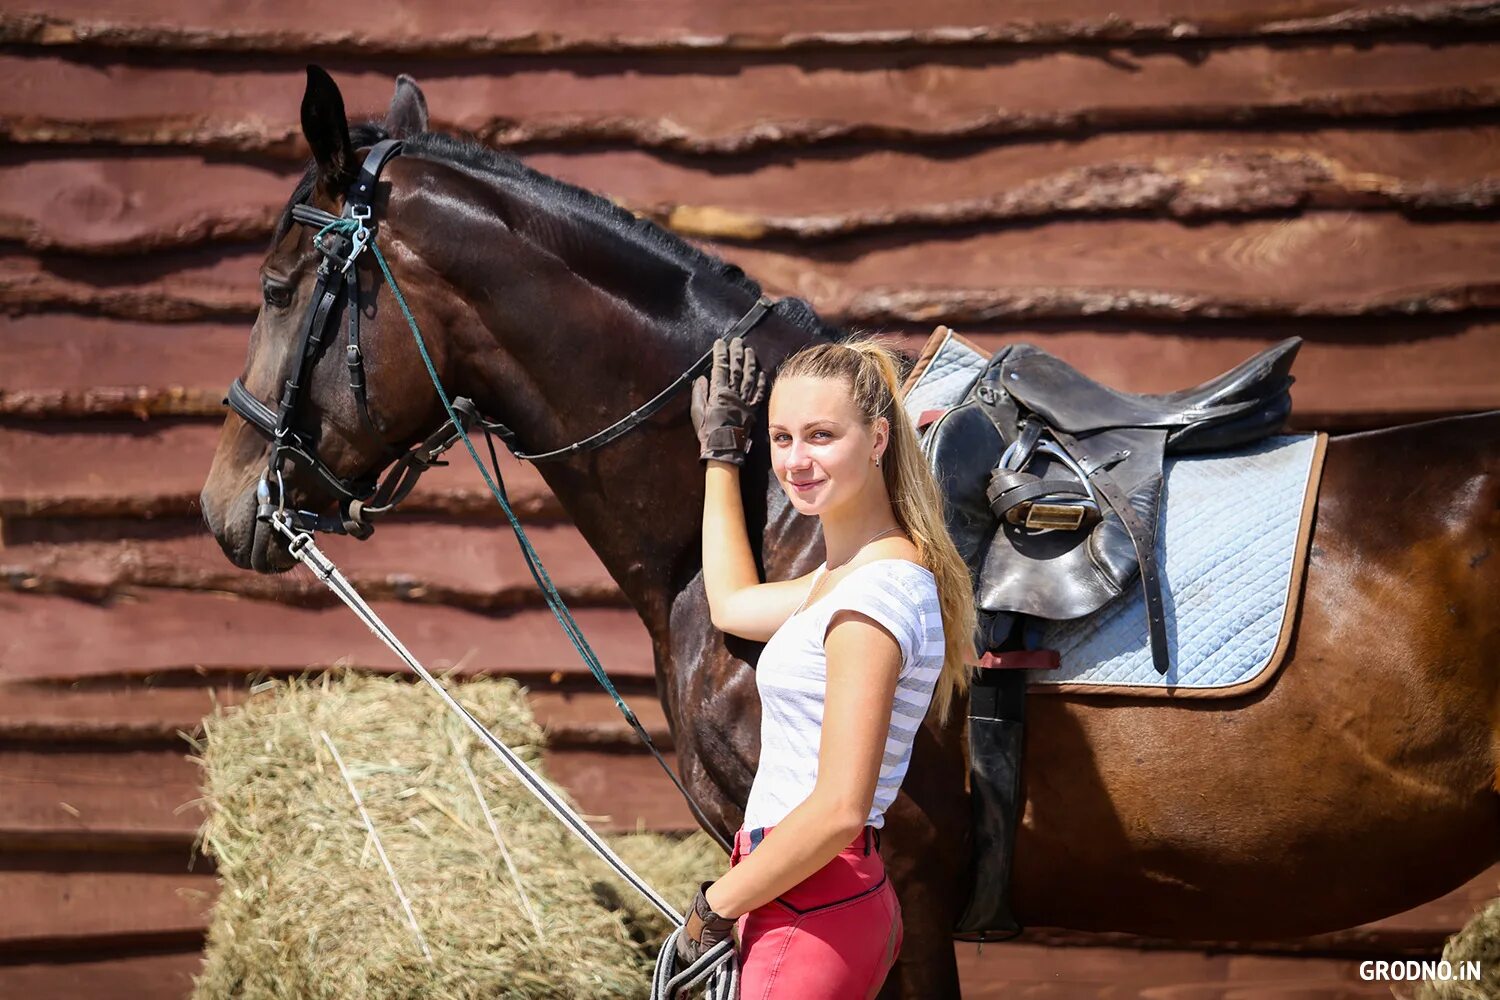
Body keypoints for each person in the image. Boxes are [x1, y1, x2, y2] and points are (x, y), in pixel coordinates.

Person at [673, 335, 977, 999]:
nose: (796, 461)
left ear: (876, 440)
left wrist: (715, 906)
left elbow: (841, 806)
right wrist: (723, 457)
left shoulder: (873, 597)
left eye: (820, 435)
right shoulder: (844, 581)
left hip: (811, 902)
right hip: (812, 898)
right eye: (782, 438)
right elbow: (731, 604)